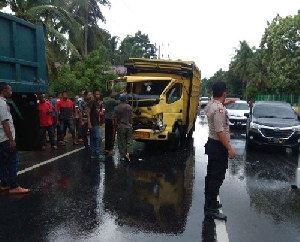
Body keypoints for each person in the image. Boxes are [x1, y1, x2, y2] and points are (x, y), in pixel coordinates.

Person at [204, 81, 236, 221]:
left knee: (211, 176)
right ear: (224, 93)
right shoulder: (219, 110)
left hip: (212, 145)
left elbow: (216, 104)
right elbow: (220, 131)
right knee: (216, 178)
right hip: (218, 146)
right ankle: (211, 209)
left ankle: (209, 202)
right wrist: (229, 148)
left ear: (212, 93)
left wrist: (225, 103)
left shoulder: (211, 104)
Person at [0, 82, 30, 194]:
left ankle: (5, 183)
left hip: (0, 138)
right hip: (5, 138)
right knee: (12, 161)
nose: (11, 92)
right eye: (10, 90)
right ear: (4, 91)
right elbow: (5, 123)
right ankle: (14, 186)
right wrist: (11, 140)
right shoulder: (2, 104)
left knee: (2, 162)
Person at [114, 94, 133, 161]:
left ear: (120, 100)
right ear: (126, 100)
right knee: (129, 141)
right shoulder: (129, 107)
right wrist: (130, 124)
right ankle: (128, 153)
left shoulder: (117, 108)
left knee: (122, 142)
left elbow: (115, 119)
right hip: (129, 126)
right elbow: (130, 117)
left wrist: (115, 126)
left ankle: (123, 154)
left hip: (121, 126)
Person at [87, 90, 105, 161]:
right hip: (93, 123)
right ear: (94, 95)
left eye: (99, 94)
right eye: (96, 94)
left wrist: (101, 120)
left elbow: (98, 112)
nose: (98, 96)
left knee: (93, 138)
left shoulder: (98, 103)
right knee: (98, 138)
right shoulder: (91, 102)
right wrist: (89, 123)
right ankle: (97, 152)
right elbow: (88, 112)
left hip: (96, 122)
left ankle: (93, 154)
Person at [103, 90, 119, 155]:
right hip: (111, 119)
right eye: (112, 93)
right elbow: (120, 101)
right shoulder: (112, 101)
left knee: (107, 134)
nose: (113, 94)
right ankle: (110, 149)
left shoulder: (104, 99)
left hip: (106, 118)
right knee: (111, 134)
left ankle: (106, 149)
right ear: (110, 94)